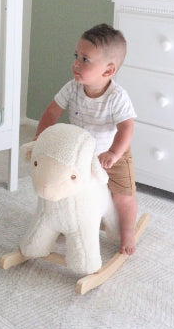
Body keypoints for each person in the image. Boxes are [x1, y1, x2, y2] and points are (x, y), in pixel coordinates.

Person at [34, 23, 138, 255]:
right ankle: (66, 219)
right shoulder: (72, 88)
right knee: (72, 187)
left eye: (85, 60)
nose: (76, 64)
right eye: (76, 56)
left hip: (114, 152)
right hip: (80, 151)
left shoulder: (117, 97)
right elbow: (51, 112)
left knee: (122, 196)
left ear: (108, 71)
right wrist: (39, 138)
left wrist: (114, 153)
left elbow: (126, 128)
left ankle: (128, 231)